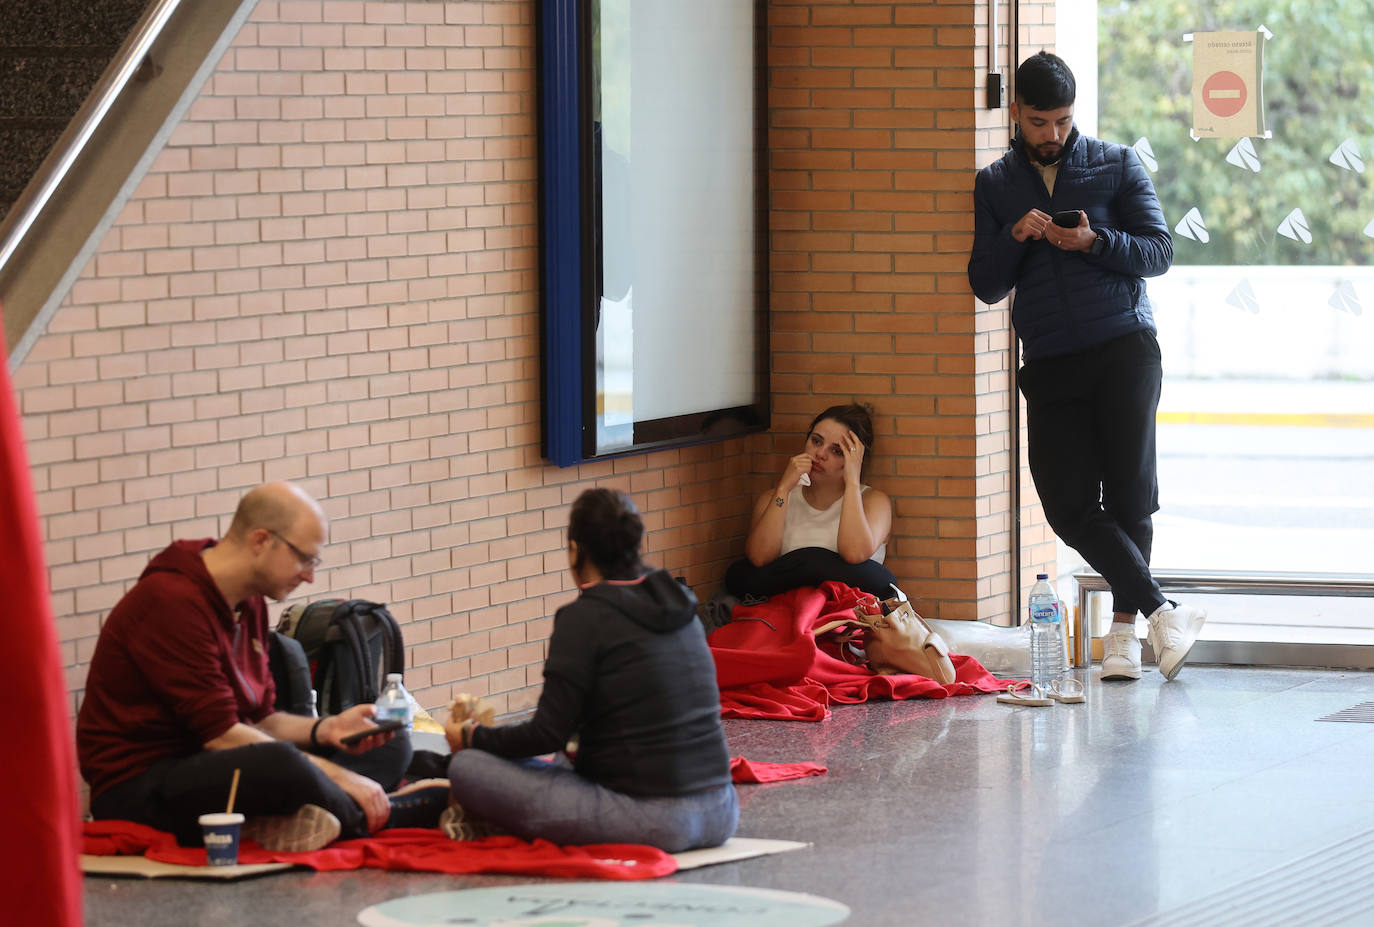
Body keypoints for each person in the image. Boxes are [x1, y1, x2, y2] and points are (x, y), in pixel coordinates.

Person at [967, 51, 1206, 682]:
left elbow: (1159, 251)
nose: (1053, 135)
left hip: (1123, 346)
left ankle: (1125, 638)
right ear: (1016, 113)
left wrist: (1093, 241)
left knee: (1131, 496)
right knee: (1067, 505)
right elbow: (985, 286)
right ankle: (1163, 611)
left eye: (1064, 122)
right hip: (1048, 360)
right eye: (1041, 122)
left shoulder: (1116, 162)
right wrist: (1013, 236)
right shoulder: (994, 185)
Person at [77, 482, 448, 851]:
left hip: (222, 762)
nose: (309, 576)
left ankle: (320, 814)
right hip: (141, 786)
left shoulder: (249, 601)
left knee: (390, 739)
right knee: (282, 763)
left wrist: (328, 728)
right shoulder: (170, 602)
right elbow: (222, 734)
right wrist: (340, 775)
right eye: (304, 558)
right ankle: (395, 810)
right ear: (260, 541)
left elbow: (265, 722)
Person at [442, 488, 738, 852]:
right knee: (560, 762)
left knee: (468, 768)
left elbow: (546, 734)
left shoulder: (583, 617)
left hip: (653, 820)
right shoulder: (679, 607)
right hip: (722, 811)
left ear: (574, 551)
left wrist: (471, 737)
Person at [723, 402, 896, 599]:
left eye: (837, 451)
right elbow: (759, 558)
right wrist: (783, 489)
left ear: (857, 460)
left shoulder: (874, 502)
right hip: (784, 611)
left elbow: (854, 554)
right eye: (816, 441)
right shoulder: (775, 498)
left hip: (846, 618)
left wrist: (852, 483)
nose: (820, 454)